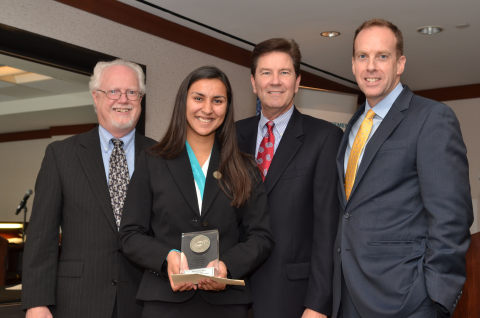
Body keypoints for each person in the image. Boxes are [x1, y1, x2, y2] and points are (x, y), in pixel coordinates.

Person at [332, 19, 473, 318]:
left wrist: (432, 296)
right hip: (347, 298)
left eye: (382, 56)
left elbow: (452, 218)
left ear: (400, 64)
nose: (371, 66)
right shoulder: (353, 126)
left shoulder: (432, 118)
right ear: (353, 64)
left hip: (406, 301)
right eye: (362, 56)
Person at [119, 65, 273, 318]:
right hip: (164, 302)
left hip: (226, 305)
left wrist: (227, 266)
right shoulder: (152, 162)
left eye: (218, 100)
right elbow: (130, 234)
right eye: (198, 98)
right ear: (184, 102)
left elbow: (261, 236)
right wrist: (166, 257)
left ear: (227, 107)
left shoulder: (245, 167)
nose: (207, 109)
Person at [22, 59, 156, 318]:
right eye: (113, 91)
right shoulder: (61, 155)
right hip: (78, 300)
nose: (123, 99)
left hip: (145, 301)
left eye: (132, 92)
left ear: (140, 99)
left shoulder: (162, 155)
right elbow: (41, 236)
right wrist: (37, 303)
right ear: (95, 97)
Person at [236, 38, 343, 318]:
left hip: (292, 298)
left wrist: (318, 305)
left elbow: (327, 228)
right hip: (231, 295)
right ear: (253, 82)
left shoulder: (325, 138)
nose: (275, 81)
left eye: (284, 73)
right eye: (266, 73)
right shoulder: (232, 137)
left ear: (297, 82)